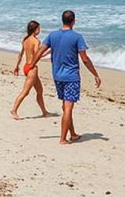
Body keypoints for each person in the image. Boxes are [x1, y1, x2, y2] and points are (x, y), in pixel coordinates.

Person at [32, 10, 102, 145]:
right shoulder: (77, 37)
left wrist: (31, 65)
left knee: (65, 107)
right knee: (68, 108)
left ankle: (73, 134)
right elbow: (85, 59)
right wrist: (95, 74)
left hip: (57, 76)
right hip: (71, 77)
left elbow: (40, 51)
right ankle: (63, 138)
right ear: (73, 21)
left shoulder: (53, 35)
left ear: (62, 20)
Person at [11, 20, 52, 120]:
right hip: (32, 68)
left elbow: (20, 55)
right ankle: (14, 110)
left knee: (40, 90)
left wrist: (17, 66)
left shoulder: (25, 40)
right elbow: (37, 55)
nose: (40, 30)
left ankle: (44, 112)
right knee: (25, 91)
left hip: (26, 66)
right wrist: (48, 53)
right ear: (35, 29)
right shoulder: (36, 41)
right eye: (39, 28)